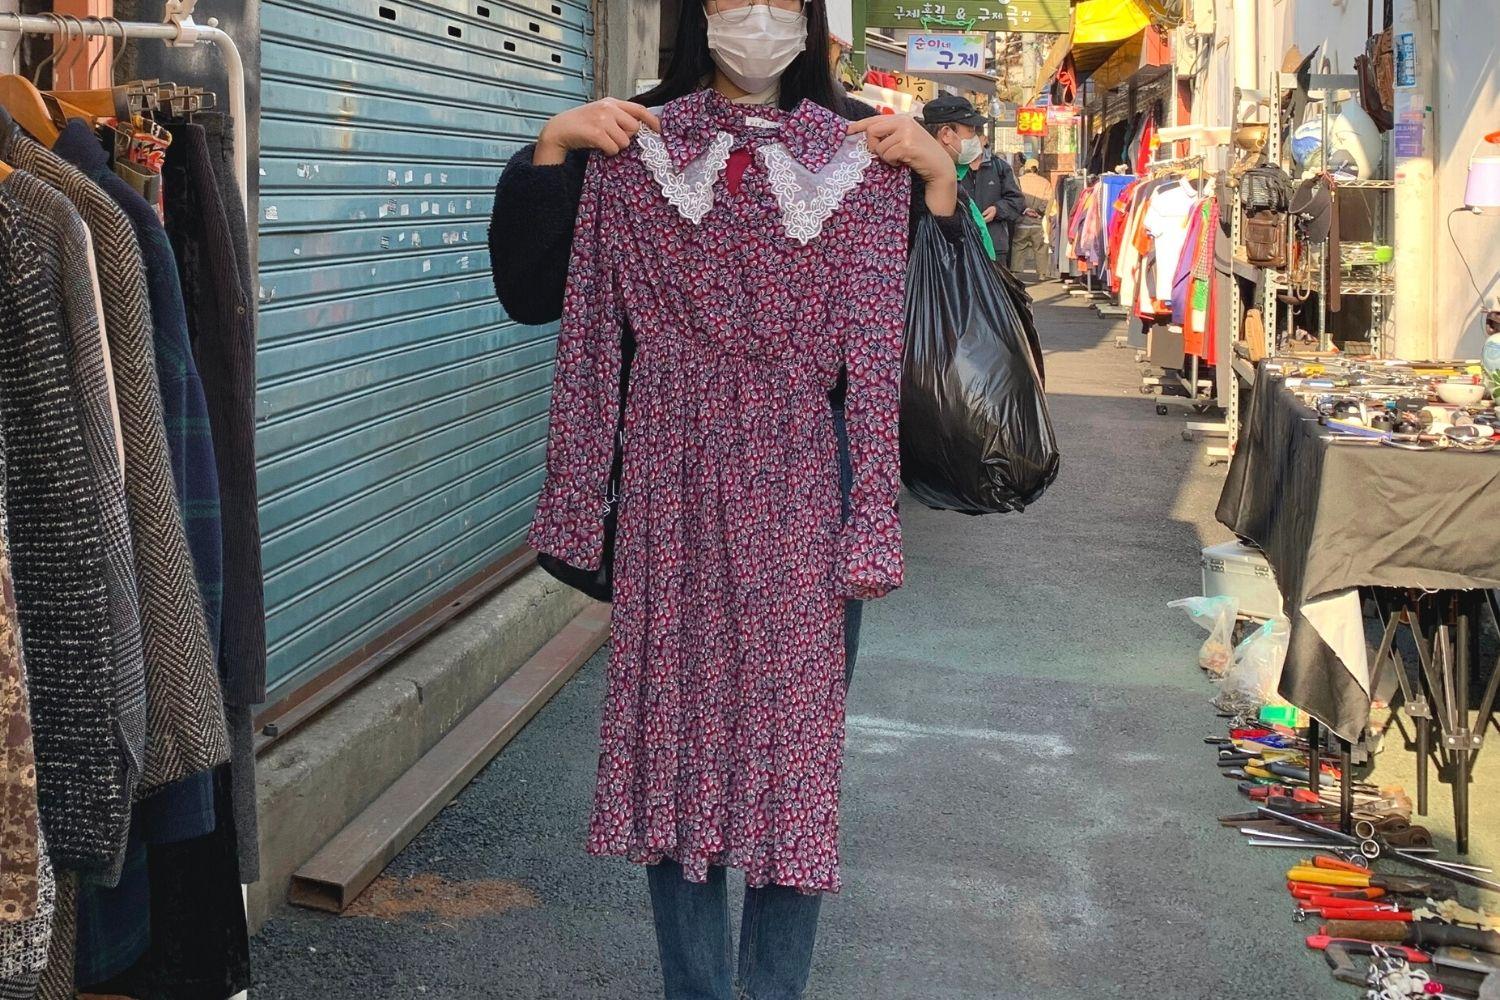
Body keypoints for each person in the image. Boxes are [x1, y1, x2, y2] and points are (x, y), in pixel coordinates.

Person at [487, 3, 966, 998]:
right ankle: (697, 988)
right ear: (694, 13)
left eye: (780, 2)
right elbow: (553, 308)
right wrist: (550, 150)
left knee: (796, 755)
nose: (757, 18)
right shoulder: (634, 141)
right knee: (673, 739)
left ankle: (774, 989)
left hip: (806, 473)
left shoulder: (869, 150)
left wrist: (939, 182)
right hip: (669, 474)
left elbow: (893, 343)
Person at [922, 93, 1023, 262]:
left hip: (989, 255)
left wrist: (999, 209)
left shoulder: (991, 167)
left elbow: (1016, 200)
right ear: (946, 134)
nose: (975, 139)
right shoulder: (929, 179)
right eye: (970, 131)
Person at [1012, 158, 1055, 282]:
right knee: (1041, 247)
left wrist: (1024, 210)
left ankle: (1015, 271)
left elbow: (1015, 198)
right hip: (1038, 222)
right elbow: (1048, 200)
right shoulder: (1045, 182)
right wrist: (1039, 212)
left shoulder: (1019, 181)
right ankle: (1042, 273)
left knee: (1018, 246)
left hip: (1022, 220)